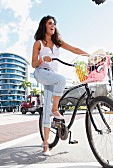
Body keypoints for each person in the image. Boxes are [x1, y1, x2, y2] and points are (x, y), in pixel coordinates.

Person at [32, 15, 89, 156]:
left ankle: (46, 145)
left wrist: (89, 55)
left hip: (53, 77)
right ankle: (55, 109)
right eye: (50, 23)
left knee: (46, 111)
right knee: (62, 80)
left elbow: (74, 49)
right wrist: (42, 59)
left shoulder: (58, 42)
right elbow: (33, 64)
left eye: (54, 24)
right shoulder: (39, 43)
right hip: (41, 72)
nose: (53, 26)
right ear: (44, 26)